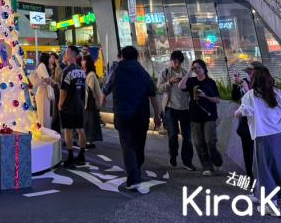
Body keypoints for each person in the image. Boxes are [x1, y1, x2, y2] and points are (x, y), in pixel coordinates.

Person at [234, 67, 281, 200]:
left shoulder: (251, 95)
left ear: (254, 80)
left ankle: (270, 203)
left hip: (263, 137)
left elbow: (243, 112)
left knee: (265, 171)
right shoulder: (278, 92)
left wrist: (236, 112)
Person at [102, 46, 161, 194]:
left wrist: (102, 99)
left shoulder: (116, 69)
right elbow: (153, 94)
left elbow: (106, 88)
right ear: (136, 57)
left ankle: (133, 178)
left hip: (123, 115)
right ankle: (137, 170)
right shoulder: (143, 72)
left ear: (122, 56)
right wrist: (157, 115)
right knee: (139, 144)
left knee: (127, 145)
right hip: (141, 115)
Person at [179, 59, 223, 176]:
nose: (197, 70)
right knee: (199, 143)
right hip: (195, 116)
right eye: (195, 68)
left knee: (210, 140)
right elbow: (181, 86)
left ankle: (215, 156)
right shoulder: (192, 81)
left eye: (199, 67)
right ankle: (207, 167)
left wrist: (205, 96)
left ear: (204, 68)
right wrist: (189, 72)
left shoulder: (210, 82)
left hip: (209, 115)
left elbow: (217, 99)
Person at [157, 50, 195, 170]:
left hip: (185, 108)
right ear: (171, 61)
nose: (176, 64)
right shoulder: (166, 72)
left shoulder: (185, 74)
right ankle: (173, 155)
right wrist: (169, 82)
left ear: (181, 62)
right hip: (170, 108)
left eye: (178, 62)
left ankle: (187, 161)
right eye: (174, 61)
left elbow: (190, 90)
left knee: (187, 136)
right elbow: (159, 89)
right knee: (173, 134)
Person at [231, 61, 262, 182]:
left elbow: (257, 102)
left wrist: (248, 89)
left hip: (260, 125)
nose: (249, 74)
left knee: (260, 154)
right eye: (248, 71)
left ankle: (261, 178)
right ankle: (250, 177)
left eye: (251, 71)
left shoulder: (264, 84)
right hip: (246, 125)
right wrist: (235, 85)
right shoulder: (244, 81)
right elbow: (234, 97)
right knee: (247, 152)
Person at [57, 46, 87, 167]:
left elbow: (63, 91)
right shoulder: (81, 71)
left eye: (66, 52)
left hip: (68, 106)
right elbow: (83, 90)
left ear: (70, 55)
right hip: (79, 105)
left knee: (68, 131)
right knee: (80, 129)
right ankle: (82, 155)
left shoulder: (67, 71)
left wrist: (60, 104)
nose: (64, 54)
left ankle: (70, 157)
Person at [81, 54, 104, 147]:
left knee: (89, 121)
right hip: (88, 102)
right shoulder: (87, 73)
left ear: (87, 62)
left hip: (90, 102)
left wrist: (86, 103)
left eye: (83, 60)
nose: (82, 61)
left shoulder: (91, 74)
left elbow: (90, 90)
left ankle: (88, 140)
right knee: (88, 121)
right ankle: (87, 140)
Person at [32, 52, 54, 130]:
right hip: (42, 93)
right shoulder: (42, 66)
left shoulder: (42, 66)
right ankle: (44, 134)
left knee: (45, 115)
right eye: (50, 58)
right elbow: (47, 80)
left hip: (43, 93)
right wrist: (52, 81)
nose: (51, 60)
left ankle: (45, 133)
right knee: (44, 116)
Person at [49, 53, 63, 131]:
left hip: (55, 91)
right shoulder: (48, 68)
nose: (52, 59)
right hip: (49, 91)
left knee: (55, 111)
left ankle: (55, 128)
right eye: (50, 58)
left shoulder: (58, 68)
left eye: (53, 58)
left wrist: (57, 66)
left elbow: (58, 79)